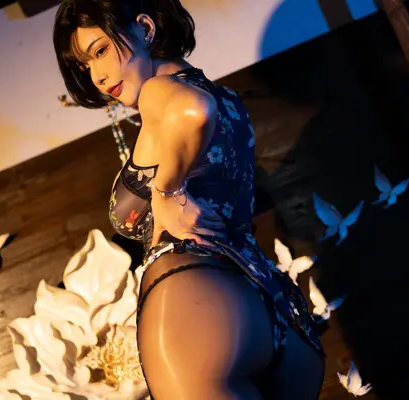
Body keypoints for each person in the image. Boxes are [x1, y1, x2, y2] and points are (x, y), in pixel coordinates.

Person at [53, 1, 325, 398]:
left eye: (100, 50)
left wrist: (167, 190)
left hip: (198, 303)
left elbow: (192, 110)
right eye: (85, 66)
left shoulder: (158, 91)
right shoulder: (227, 98)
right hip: (279, 310)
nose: (96, 75)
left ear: (145, 28)